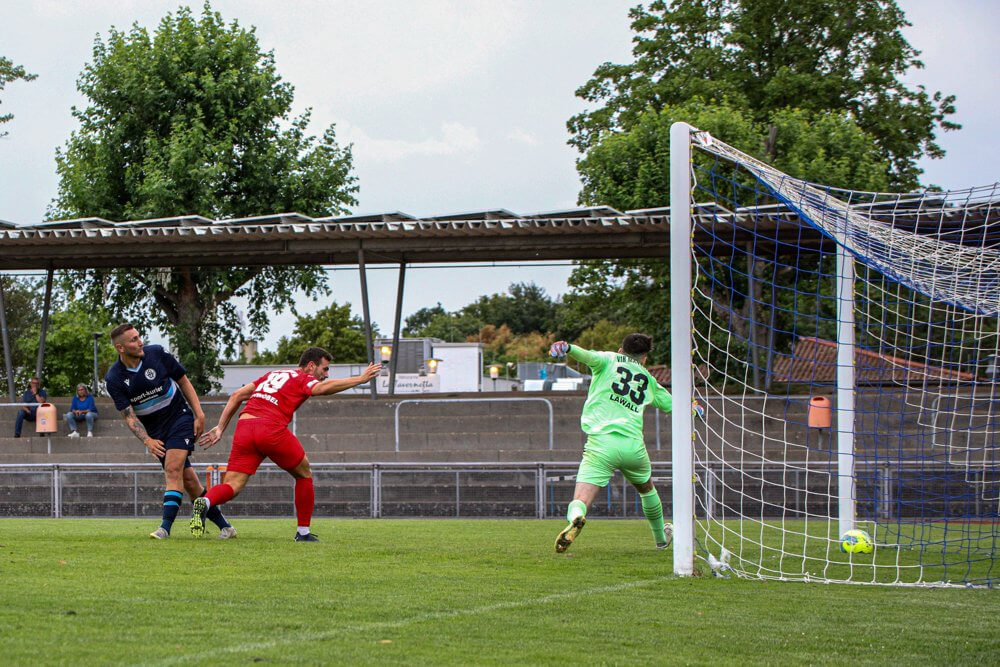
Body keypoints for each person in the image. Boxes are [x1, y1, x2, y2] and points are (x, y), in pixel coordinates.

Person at [191, 348, 381, 541]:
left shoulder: (273, 374)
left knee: (232, 485)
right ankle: (303, 533)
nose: (326, 374)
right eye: (324, 369)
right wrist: (360, 379)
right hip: (270, 428)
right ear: (311, 366)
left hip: (245, 427)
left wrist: (220, 428)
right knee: (304, 473)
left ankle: (205, 502)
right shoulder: (303, 377)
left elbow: (237, 395)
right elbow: (322, 389)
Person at [548, 333, 677, 553]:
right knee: (647, 489)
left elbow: (586, 356)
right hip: (633, 446)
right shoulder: (648, 378)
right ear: (644, 357)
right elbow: (674, 405)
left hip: (601, 444)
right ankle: (660, 539)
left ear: (620, 350)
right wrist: (694, 408)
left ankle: (576, 518)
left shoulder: (608, 359)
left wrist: (567, 347)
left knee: (580, 499)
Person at [104, 323, 235, 540]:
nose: (140, 342)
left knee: (173, 470)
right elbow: (128, 416)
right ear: (120, 348)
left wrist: (199, 414)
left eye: (139, 337)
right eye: (134, 340)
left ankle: (164, 528)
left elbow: (183, 380)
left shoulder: (156, 353)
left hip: (179, 418)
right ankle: (226, 527)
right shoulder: (114, 378)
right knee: (190, 482)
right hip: (156, 432)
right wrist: (147, 440)